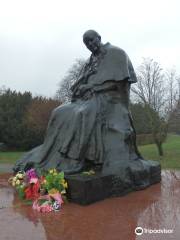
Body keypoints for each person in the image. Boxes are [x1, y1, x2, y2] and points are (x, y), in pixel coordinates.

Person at [14, 30, 160, 181]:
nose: (90, 44)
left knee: (82, 113)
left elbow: (119, 84)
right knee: (60, 111)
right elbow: (81, 84)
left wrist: (93, 88)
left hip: (110, 100)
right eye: (87, 43)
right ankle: (53, 154)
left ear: (99, 38)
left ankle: (75, 159)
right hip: (89, 98)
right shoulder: (90, 62)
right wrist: (82, 86)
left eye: (92, 40)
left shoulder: (116, 53)